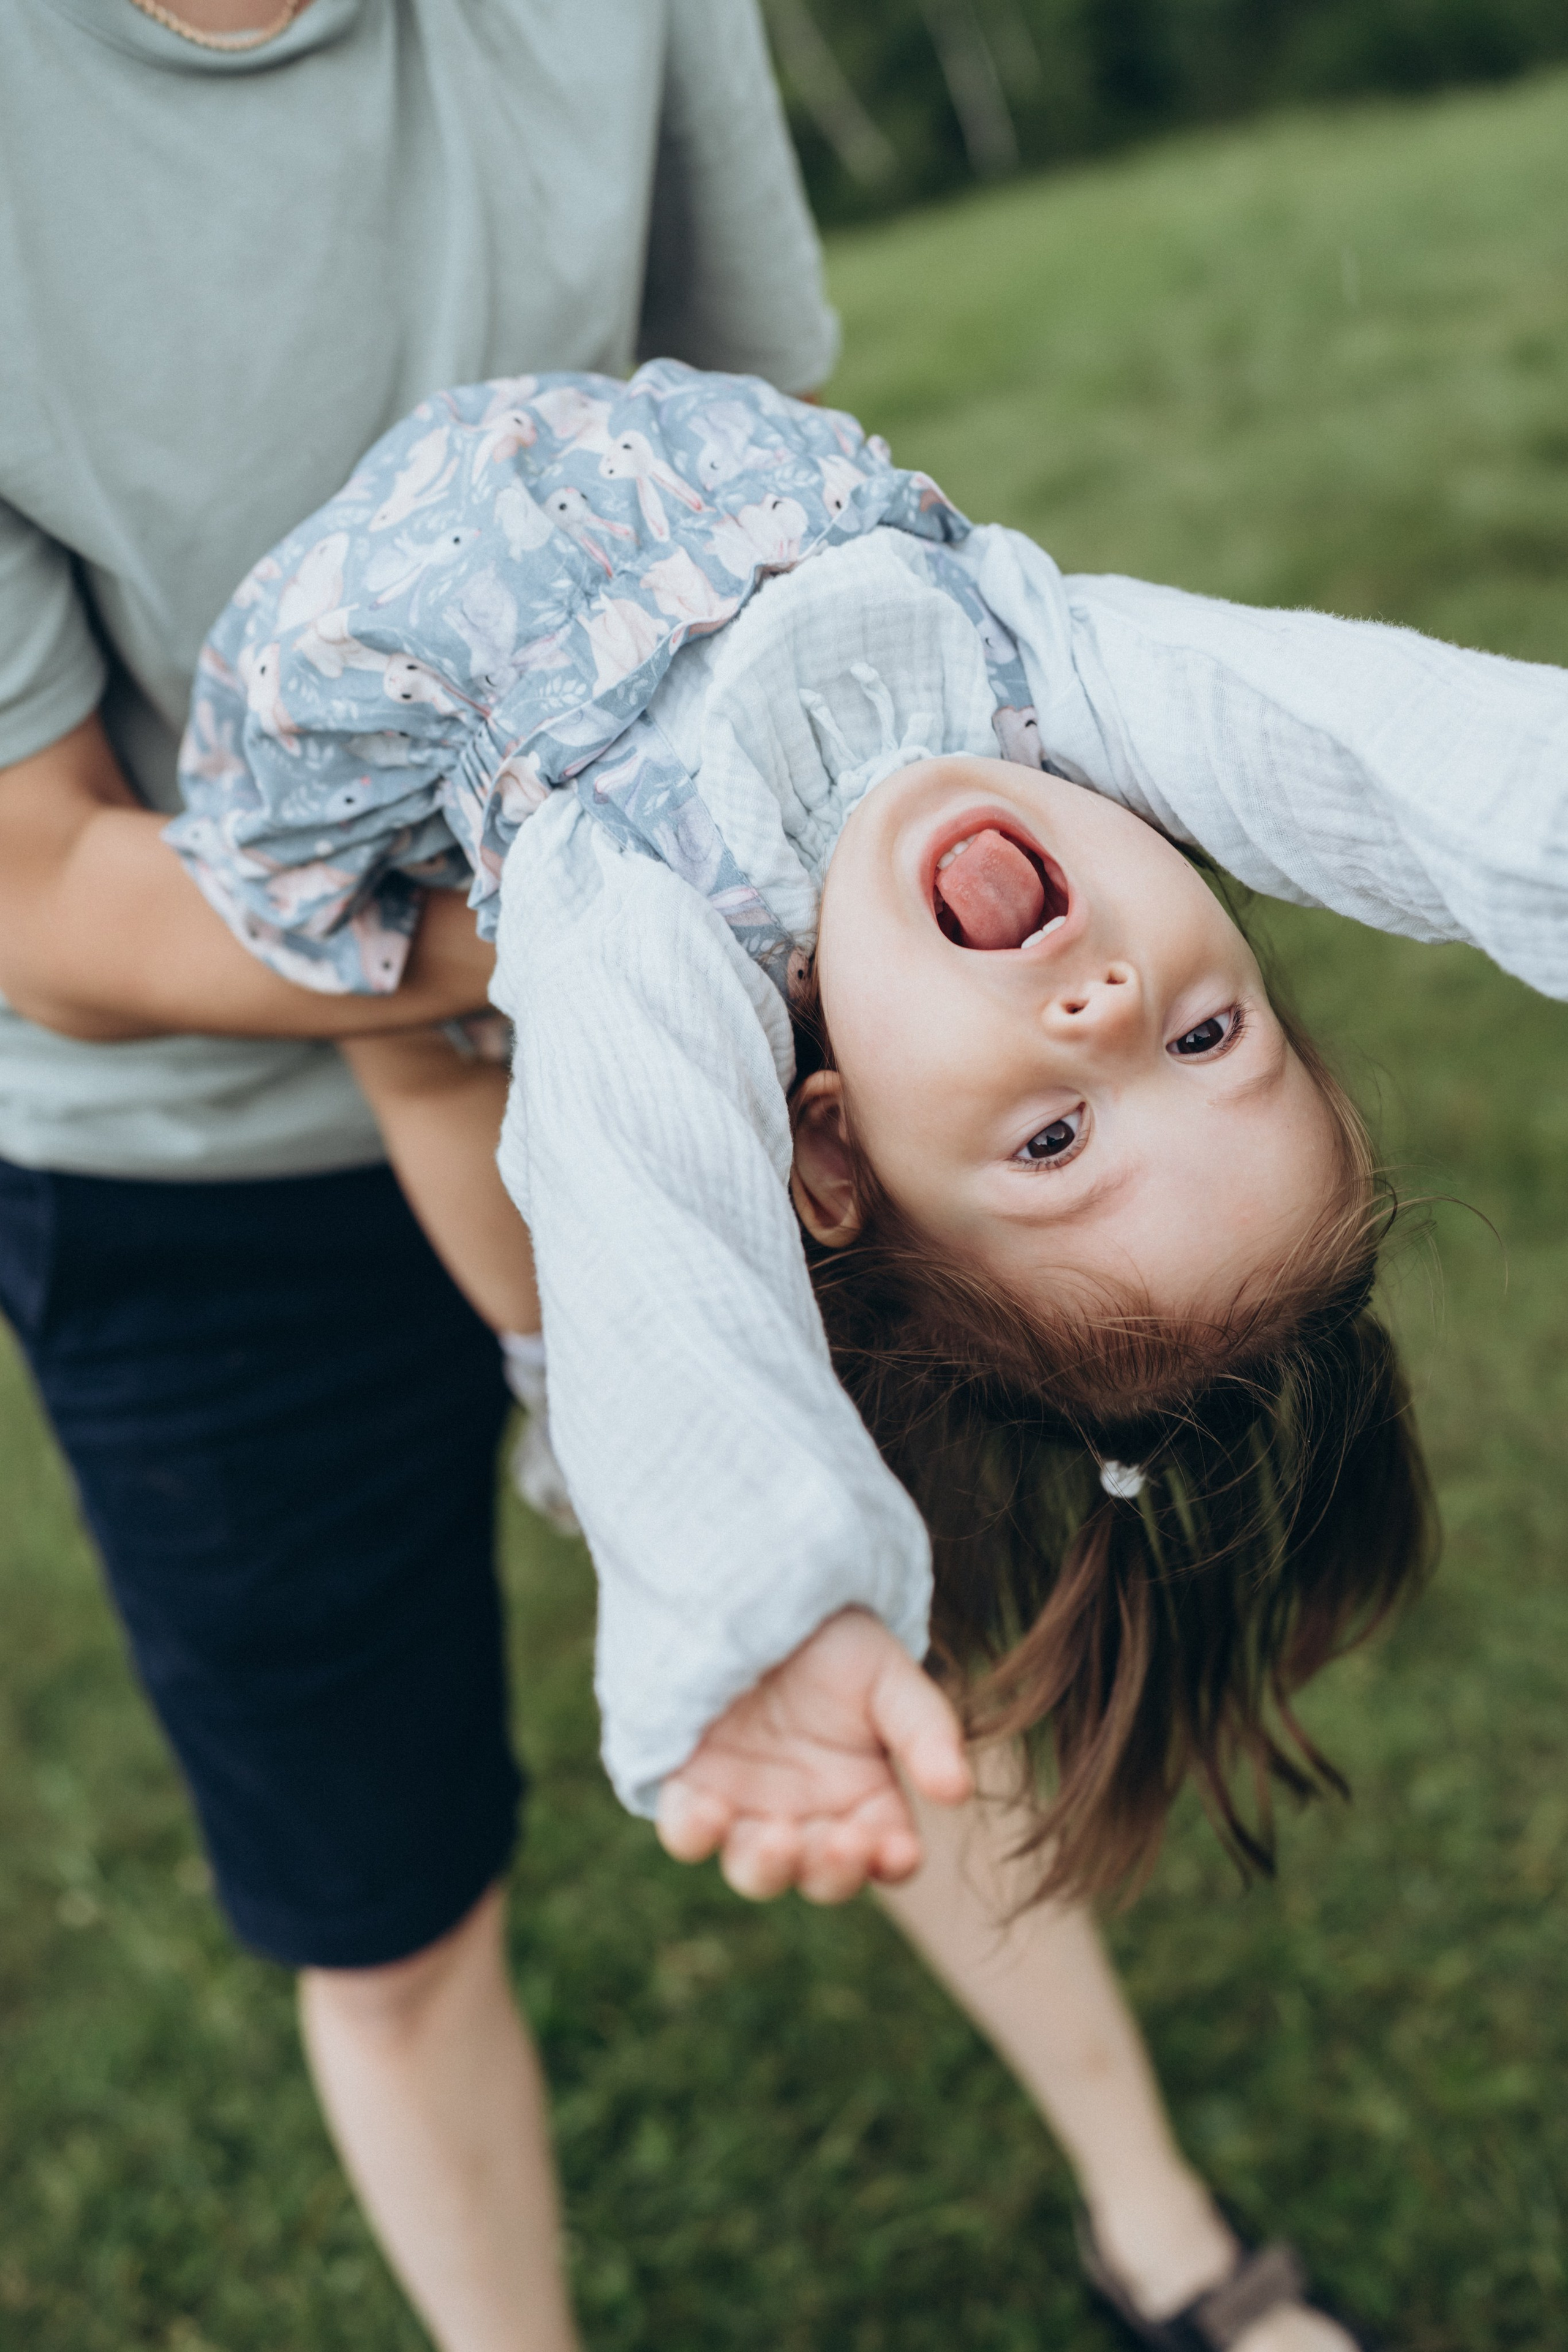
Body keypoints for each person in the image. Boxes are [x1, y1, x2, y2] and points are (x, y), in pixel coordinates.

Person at [0, 7, 1373, 2351]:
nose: (1103, 1025)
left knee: (877, 1655)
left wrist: (724, 923)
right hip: (191, 1150)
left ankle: (1168, 2242)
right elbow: (37, 895)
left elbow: (756, 459)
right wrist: (601, 906)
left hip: (737, 1014)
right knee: (388, 1898)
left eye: (1093, 1112)